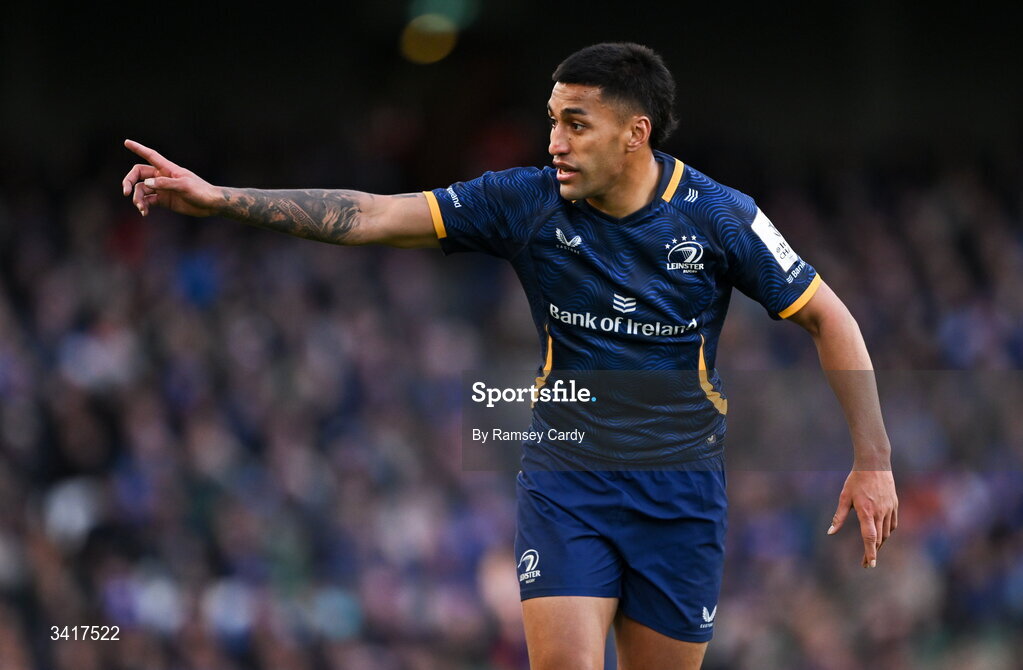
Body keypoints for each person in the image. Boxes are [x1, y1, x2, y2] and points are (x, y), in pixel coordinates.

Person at [122, 42, 897, 670]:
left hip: (679, 494)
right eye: (552, 120)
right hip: (568, 481)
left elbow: (829, 318)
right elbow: (372, 215)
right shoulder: (523, 200)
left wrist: (872, 460)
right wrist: (225, 198)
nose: (554, 141)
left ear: (635, 134)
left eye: (576, 123)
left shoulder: (721, 217)